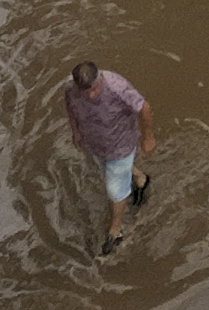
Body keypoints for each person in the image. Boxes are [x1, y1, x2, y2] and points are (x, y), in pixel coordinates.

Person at [65, 61, 156, 256]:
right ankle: (140, 179)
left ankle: (115, 231)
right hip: (95, 144)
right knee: (108, 170)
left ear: (100, 79)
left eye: (94, 89)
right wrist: (75, 131)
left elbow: (144, 108)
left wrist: (148, 137)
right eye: (85, 91)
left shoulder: (118, 87)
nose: (90, 95)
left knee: (114, 190)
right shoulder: (71, 88)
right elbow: (70, 106)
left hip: (120, 145)